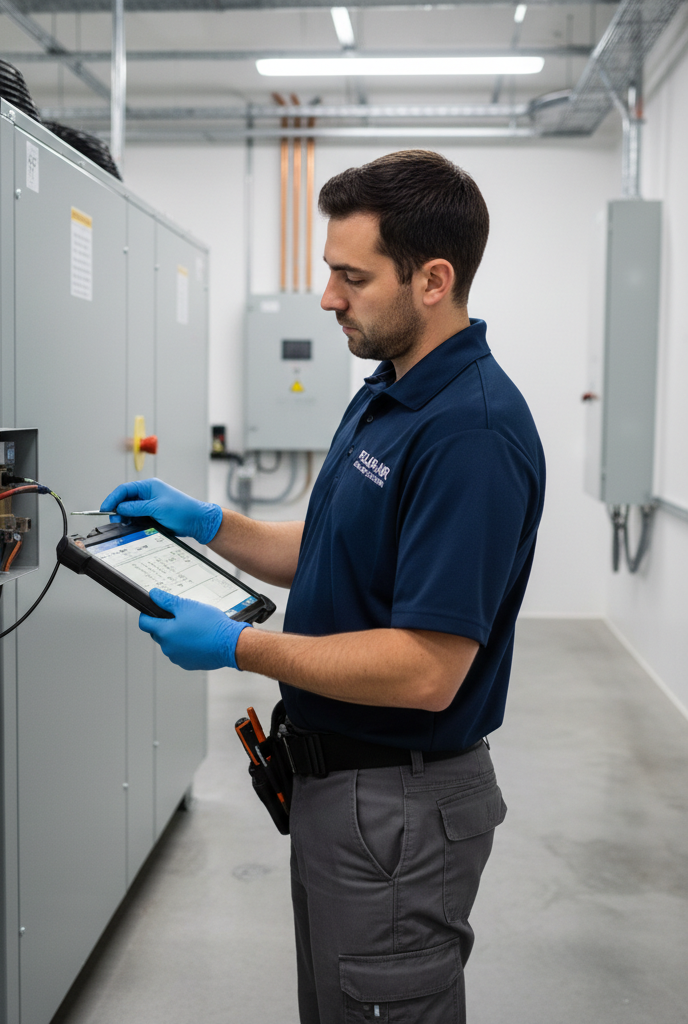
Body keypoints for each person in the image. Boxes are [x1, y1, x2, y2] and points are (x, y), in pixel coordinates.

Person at [100, 149, 545, 1024]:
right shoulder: (390, 392)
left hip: (401, 805)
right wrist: (210, 524)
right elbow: (332, 547)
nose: (329, 297)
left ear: (433, 280)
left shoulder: (471, 434)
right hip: (339, 788)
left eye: (352, 276)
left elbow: (428, 669)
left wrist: (238, 645)